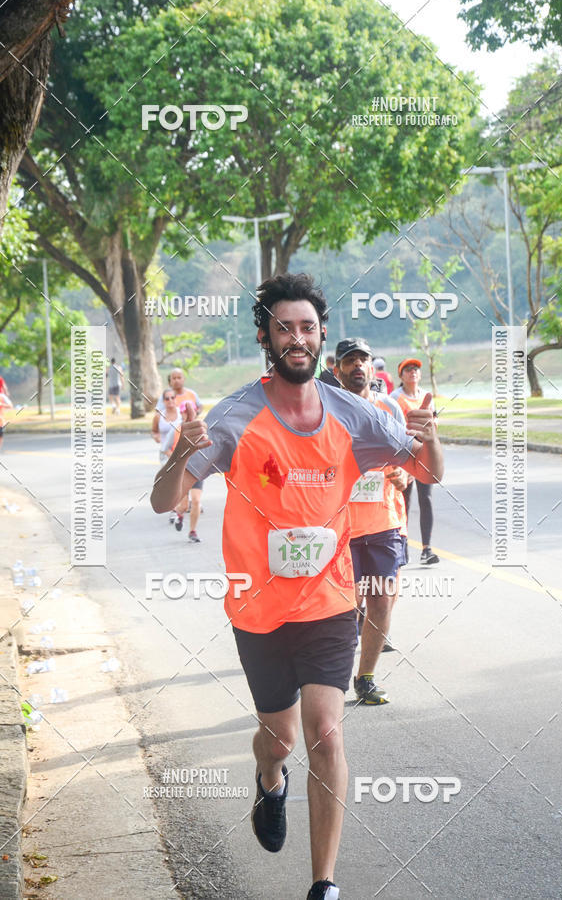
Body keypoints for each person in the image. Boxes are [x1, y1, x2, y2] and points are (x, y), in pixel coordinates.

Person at [150, 272, 443, 900]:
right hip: (258, 607)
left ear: (321, 335)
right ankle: (269, 778)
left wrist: (429, 433)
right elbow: (163, 500)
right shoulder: (235, 417)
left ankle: (323, 886)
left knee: (326, 733)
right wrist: (179, 455)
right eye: (284, 328)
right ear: (265, 337)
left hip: (331, 600)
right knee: (280, 738)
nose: (297, 338)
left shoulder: (354, 413)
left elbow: (425, 471)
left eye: (307, 327)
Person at [333, 339, 408, 705]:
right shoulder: (327, 411)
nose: (358, 366)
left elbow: (408, 457)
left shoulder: (389, 407)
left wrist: (405, 476)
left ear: (371, 366)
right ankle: (329, 679)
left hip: (384, 523)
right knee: (344, 607)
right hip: (341, 527)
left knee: (380, 602)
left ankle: (365, 678)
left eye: (362, 359)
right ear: (337, 370)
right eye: (350, 361)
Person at [391, 358, 439, 564]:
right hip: (405, 455)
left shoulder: (426, 397)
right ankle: (403, 546)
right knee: (404, 501)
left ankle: (427, 549)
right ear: (401, 376)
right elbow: (393, 429)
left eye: (416, 369)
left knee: (426, 499)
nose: (413, 372)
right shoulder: (395, 398)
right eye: (408, 369)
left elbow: (433, 424)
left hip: (425, 454)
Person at [157, 369, 204, 541]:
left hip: (197, 469)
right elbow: (165, 448)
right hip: (182, 470)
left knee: (196, 501)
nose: (188, 414)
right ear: (181, 413)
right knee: (184, 505)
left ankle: (193, 532)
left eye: (191, 411)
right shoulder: (176, 428)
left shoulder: (201, 427)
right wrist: (176, 459)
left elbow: (208, 447)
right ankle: (178, 513)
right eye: (185, 412)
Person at [0, 376, 13, 450]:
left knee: (1, 434)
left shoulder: (1, 397)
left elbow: (10, 406)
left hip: (1, 421)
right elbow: (4, 386)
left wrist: (2, 404)